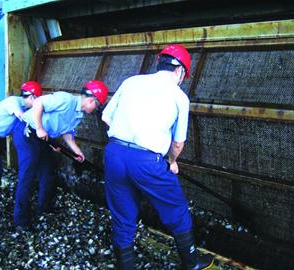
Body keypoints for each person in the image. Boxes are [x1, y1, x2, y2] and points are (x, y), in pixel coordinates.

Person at [102, 44, 214, 270]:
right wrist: (172, 162)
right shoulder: (179, 97)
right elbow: (178, 142)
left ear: (160, 63)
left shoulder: (131, 82)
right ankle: (191, 263)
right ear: (180, 71)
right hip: (146, 162)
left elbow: (106, 116)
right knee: (176, 209)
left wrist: (127, 137)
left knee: (123, 214)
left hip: (114, 153)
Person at [12, 80, 109, 230]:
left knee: (49, 172)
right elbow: (38, 103)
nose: (96, 109)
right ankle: (21, 220)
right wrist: (39, 128)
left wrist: (76, 150)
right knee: (27, 176)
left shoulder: (78, 115)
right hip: (27, 132)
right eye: (97, 106)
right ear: (91, 100)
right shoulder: (66, 99)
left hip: (42, 137)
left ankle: (44, 207)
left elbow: (67, 134)